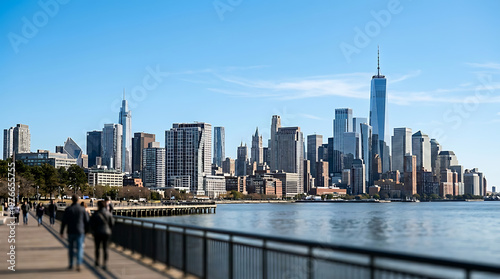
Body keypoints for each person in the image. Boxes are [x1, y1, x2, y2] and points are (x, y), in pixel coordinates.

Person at [60, 195, 89, 272]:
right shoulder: (82, 209)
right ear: (78, 200)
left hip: (70, 230)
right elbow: (86, 221)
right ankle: (78, 263)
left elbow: (64, 221)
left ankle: (71, 263)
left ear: (72, 200)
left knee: (71, 248)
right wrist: (86, 231)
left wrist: (62, 231)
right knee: (79, 248)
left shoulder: (68, 209)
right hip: (80, 231)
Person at [90, 201, 114, 269]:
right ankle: (105, 263)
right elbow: (112, 223)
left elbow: (92, 223)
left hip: (97, 232)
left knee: (97, 248)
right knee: (105, 248)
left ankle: (97, 262)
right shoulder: (108, 213)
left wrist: (93, 231)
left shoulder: (95, 214)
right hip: (106, 232)